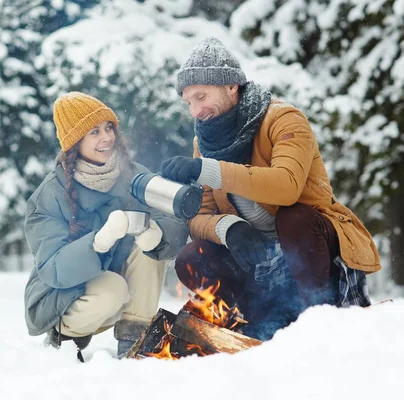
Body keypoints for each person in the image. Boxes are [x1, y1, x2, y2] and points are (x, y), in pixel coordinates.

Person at [161, 38, 381, 340]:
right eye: (189, 102)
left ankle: (318, 322)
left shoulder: (283, 119)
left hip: (312, 249)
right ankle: (244, 328)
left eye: (201, 97)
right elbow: (200, 216)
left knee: (294, 218)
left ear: (231, 87)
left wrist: (207, 169)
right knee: (191, 256)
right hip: (258, 260)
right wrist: (228, 228)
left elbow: (286, 186)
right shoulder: (205, 143)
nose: (195, 111)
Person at [24, 92, 188, 359]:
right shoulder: (49, 196)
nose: (107, 138)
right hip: (62, 295)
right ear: (75, 142)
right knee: (112, 290)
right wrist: (99, 241)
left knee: (152, 250)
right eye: (94, 132)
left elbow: (172, 216)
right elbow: (53, 270)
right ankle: (65, 333)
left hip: (119, 279)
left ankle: (135, 340)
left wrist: (157, 234)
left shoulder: (132, 173)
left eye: (109, 128)